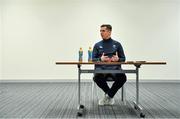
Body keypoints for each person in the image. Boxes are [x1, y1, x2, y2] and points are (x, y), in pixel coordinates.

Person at [92, 24, 127, 105]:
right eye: (100, 31)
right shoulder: (97, 45)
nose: (101, 33)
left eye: (103, 31)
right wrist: (100, 59)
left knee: (123, 78)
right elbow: (92, 59)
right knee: (97, 78)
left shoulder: (117, 44)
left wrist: (118, 59)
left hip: (115, 70)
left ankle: (108, 96)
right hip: (101, 70)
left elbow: (123, 59)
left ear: (109, 32)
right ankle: (110, 95)